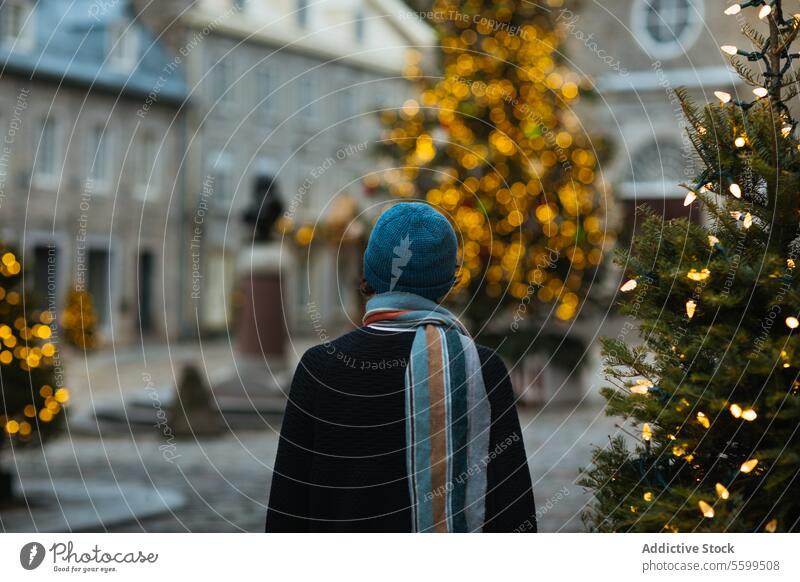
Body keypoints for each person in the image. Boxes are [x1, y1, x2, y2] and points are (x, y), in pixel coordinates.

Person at [265, 202, 536, 532]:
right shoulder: (482, 368)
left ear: (370, 271)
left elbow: (286, 510)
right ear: (449, 279)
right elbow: (514, 509)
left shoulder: (320, 369)